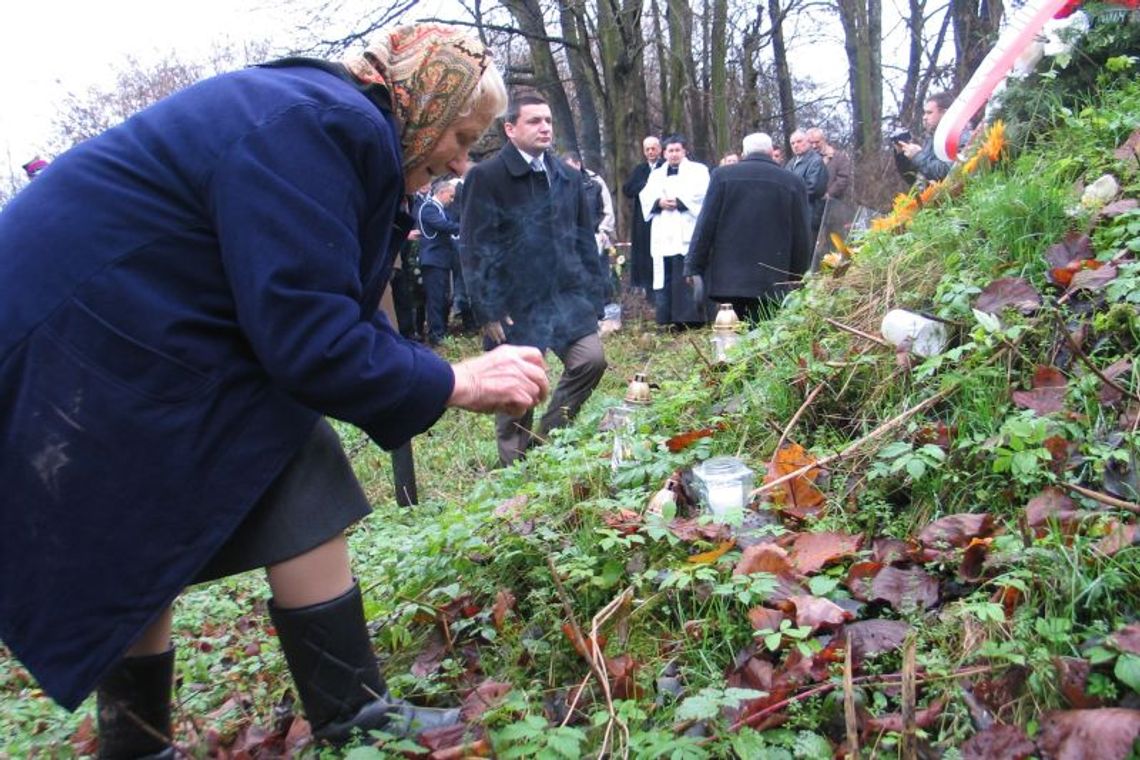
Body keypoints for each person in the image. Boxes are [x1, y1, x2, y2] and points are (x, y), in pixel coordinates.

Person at [0, 24, 552, 755]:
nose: (459, 158)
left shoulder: (317, 115)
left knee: (251, 456)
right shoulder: (325, 124)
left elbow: (324, 313)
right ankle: (158, 741)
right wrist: (453, 380)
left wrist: (422, 373)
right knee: (135, 503)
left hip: (101, 322)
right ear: (423, 99)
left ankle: (338, 714)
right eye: (459, 132)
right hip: (74, 330)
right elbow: (310, 338)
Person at [461, 91, 608, 467]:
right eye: (534, 121)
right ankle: (515, 469)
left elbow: (583, 239)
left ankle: (548, 439)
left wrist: (595, 294)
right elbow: (475, 246)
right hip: (514, 304)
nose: (545, 127)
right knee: (517, 390)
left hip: (566, 297)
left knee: (591, 360)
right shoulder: (487, 176)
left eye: (548, 120)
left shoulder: (569, 176)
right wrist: (486, 309)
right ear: (510, 128)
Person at [685, 133, 812, 323]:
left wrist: (693, 266)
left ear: (743, 153)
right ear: (771, 152)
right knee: (768, 334)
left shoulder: (722, 176)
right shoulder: (793, 182)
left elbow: (706, 224)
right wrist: (799, 275)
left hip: (730, 280)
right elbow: (802, 234)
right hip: (774, 279)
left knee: (731, 335)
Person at [639, 134, 710, 327]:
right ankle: (667, 319)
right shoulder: (656, 174)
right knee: (666, 277)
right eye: (670, 151)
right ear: (664, 153)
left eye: (677, 150)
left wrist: (680, 201)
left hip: (686, 229)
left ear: (684, 151)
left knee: (686, 276)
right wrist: (658, 202)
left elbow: (703, 194)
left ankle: (691, 319)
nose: (674, 154)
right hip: (664, 232)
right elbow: (645, 197)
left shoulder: (698, 170)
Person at [418, 178, 462, 346]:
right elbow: (444, 226)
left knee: (444, 298)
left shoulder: (440, 209)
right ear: (441, 192)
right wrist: (464, 226)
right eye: (450, 196)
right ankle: (436, 334)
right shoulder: (429, 208)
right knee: (435, 299)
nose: (452, 200)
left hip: (442, 260)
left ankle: (442, 330)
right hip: (433, 260)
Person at [621, 136, 664, 292]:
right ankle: (646, 288)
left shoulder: (666, 167)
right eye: (647, 149)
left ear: (660, 149)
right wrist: (645, 186)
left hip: (662, 217)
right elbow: (627, 189)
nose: (651, 152)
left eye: (653, 148)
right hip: (642, 220)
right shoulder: (640, 169)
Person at [894, 92, 954, 187]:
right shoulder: (932, 138)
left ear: (944, 113)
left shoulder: (957, 135)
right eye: (924, 113)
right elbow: (918, 182)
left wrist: (917, 156)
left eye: (929, 113)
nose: (924, 117)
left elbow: (950, 171)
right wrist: (902, 156)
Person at [786, 129, 828, 240]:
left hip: (810, 214)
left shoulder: (816, 161)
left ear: (808, 142)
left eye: (799, 141)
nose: (796, 145)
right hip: (794, 214)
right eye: (793, 143)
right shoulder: (791, 163)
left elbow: (814, 188)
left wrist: (790, 194)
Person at [806, 127, 853, 203]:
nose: (814, 146)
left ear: (824, 140)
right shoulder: (805, 160)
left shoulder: (839, 157)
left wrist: (829, 194)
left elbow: (843, 179)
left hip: (833, 204)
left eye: (817, 142)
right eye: (811, 143)